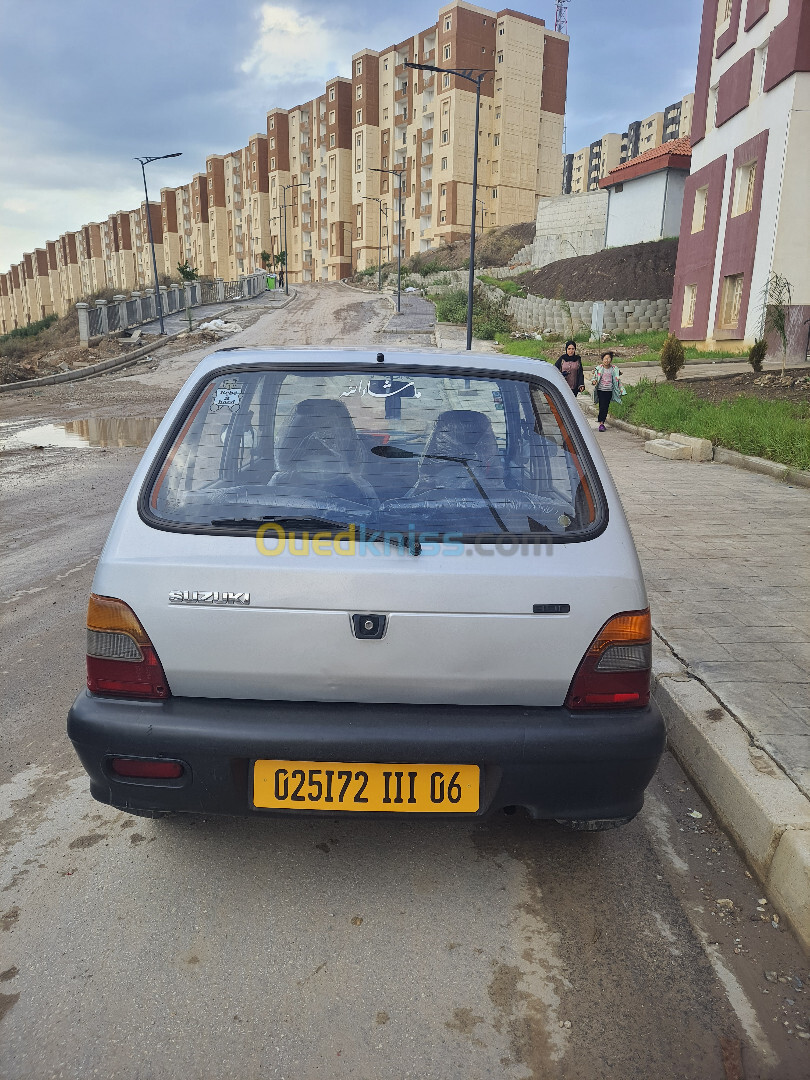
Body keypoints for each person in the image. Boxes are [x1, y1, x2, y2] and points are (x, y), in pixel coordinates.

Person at [591, 351, 624, 431]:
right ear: (602, 360)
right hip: (601, 390)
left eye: (608, 359)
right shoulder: (599, 368)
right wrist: (594, 381)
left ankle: (602, 421)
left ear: (611, 360)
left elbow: (617, 375)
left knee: (606, 407)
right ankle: (601, 423)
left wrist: (619, 373)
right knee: (602, 406)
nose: (607, 360)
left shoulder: (613, 369)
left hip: (609, 390)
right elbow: (594, 378)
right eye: (605, 359)